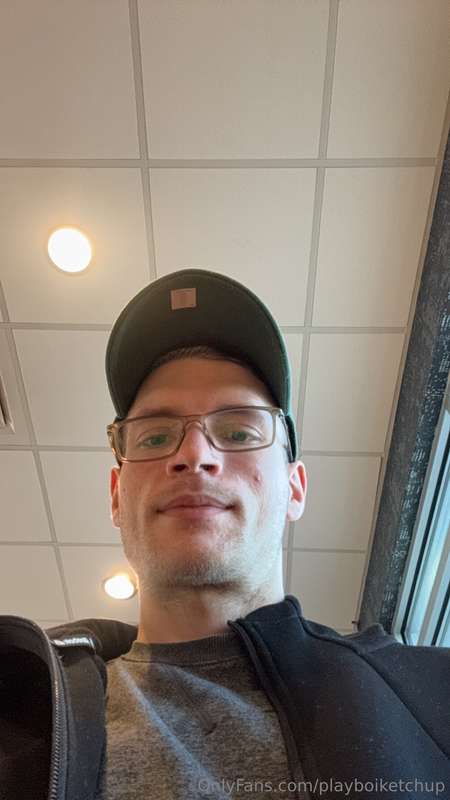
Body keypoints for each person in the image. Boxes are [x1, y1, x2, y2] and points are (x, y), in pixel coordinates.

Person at [0, 269, 449, 800]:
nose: (195, 455)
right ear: (117, 496)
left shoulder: (434, 695)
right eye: (155, 436)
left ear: (295, 488)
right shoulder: (17, 708)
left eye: (238, 431)